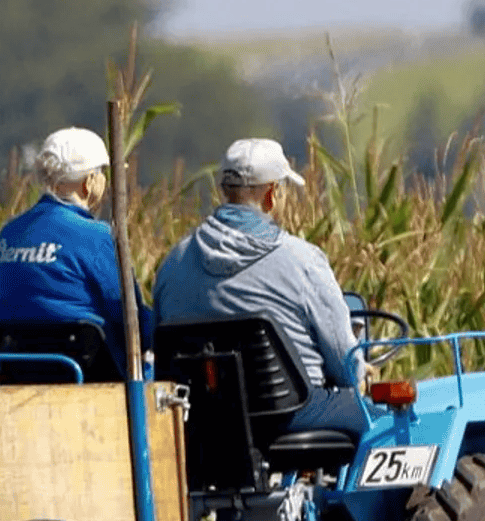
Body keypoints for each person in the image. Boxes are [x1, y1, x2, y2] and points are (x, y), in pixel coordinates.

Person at [153, 138, 368, 434]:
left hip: (204, 421)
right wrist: (360, 373)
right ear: (272, 194)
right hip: (289, 415)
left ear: (223, 191)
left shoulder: (173, 263)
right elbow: (345, 366)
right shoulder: (303, 260)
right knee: (380, 419)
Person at [0, 126, 152, 378]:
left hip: (16, 372)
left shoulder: (8, 234)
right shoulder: (96, 236)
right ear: (88, 183)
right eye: (102, 174)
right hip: (88, 374)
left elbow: (1, 297)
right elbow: (129, 316)